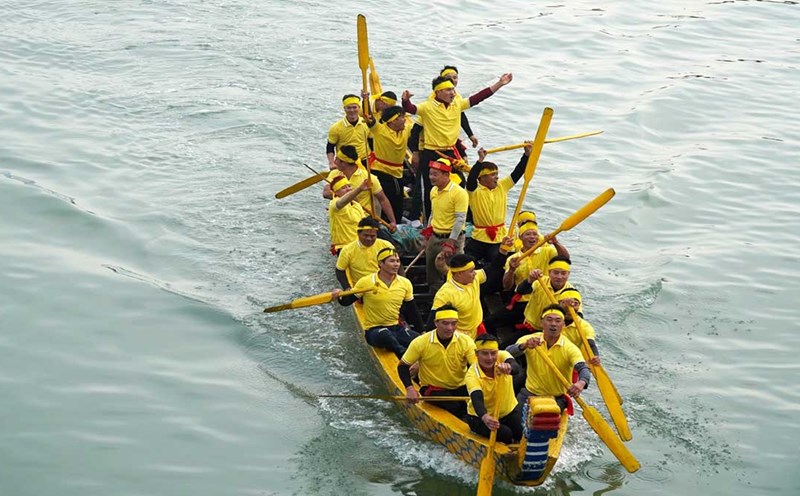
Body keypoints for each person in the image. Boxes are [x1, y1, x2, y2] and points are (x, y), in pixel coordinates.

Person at [402, 72, 513, 221]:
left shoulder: (457, 103)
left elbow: (478, 98)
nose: (453, 93)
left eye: (453, 90)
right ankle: (428, 224)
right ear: (438, 91)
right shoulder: (427, 106)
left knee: (463, 184)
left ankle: (467, 219)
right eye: (448, 90)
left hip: (451, 152)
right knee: (429, 190)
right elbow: (411, 109)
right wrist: (405, 100)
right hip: (432, 153)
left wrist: (500, 83)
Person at [484, 222, 569, 340]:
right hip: (523, 301)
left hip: (543, 300)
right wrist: (512, 270)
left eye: (535, 234)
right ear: (521, 237)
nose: (532, 237)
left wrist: (556, 242)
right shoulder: (513, 259)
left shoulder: (547, 252)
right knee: (489, 322)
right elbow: (506, 286)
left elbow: (565, 258)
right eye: (528, 234)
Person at [338, 248, 424, 359]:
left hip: (395, 328)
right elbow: (347, 302)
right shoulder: (366, 282)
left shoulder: (405, 283)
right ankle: (404, 357)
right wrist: (340, 295)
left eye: (398, 261)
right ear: (380, 264)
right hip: (374, 330)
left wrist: (421, 331)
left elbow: (412, 310)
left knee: (420, 341)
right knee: (385, 335)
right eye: (392, 261)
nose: (396, 264)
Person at [506, 305, 591, 412]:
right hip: (529, 393)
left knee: (543, 422)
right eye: (549, 320)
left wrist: (581, 383)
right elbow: (507, 352)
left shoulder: (570, 348)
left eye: (558, 321)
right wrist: (524, 346)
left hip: (556, 398)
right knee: (516, 421)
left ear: (563, 325)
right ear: (542, 323)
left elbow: (583, 369)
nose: (553, 324)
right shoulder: (529, 340)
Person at [398, 306, 477, 418]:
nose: (450, 328)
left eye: (454, 323)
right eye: (445, 323)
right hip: (433, 388)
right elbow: (402, 366)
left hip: (460, 385)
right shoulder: (420, 342)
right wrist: (410, 388)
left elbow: (476, 366)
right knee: (455, 407)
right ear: (436, 323)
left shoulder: (466, 341)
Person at [464, 144, 531, 264]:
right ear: (482, 178)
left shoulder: (502, 186)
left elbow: (517, 173)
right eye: (493, 175)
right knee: (467, 261)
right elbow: (471, 178)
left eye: (497, 174)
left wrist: (526, 155)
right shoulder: (474, 190)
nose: (497, 177)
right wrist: (480, 160)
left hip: (498, 238)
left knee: (498, 262)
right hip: (478, 236)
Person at [323, 145, 398, 232]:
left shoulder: (369, 178)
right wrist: (348, 194)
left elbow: (382, 199)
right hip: (342, 218)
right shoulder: (334, 174)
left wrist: (392, 221)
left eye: (337, 160)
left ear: (344, 163)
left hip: (362, 220)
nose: (334, 162)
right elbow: (326, 193)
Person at [465, 334, 523, 444]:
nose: (490, 358)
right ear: (476, 354)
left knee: (522, 433)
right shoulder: (472, 375)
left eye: (493, 353)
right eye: (485, 354)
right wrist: (485, 417)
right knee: (506, 434)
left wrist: (509, 367)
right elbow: (477, 399)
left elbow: (516, 368)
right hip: (480, 417)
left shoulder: (503, 355)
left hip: (508, 412)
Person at [424, 158, 469, 291]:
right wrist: (427, 235)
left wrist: (450, 243)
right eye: (430, 173)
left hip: (452, 238)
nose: (431, 177)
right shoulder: (433, 191)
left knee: (454, 272)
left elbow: (460, 219)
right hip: (435, 237)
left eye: (435, 174)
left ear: (446, 175)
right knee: (431, 271)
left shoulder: (459, 193)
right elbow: (433, 213)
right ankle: (434, 295)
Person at [364, 105, 411, 223]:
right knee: (384, 202)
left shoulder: (405, 130)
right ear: (393, 120)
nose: (405, 120)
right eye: (402, 117)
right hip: (381, 171)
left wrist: (407, 102)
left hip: (398, 173)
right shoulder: (379, 129)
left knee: (398, 204)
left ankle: (396, 225)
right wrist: (366, 99)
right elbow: (369, 117)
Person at [516, 256, 580, 332]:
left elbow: (578, 317)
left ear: (568, 274)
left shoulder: (572, 292)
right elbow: (520, 291)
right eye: (555, 273)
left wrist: (568, 308)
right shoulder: (540, 281)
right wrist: (530, 280)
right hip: (530, 325)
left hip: (551, 332)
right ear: (549, 272)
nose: (559, 277)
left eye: (563, 273)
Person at [335, 217, 395, 288]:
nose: (369, 239)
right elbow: (340, 270)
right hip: (361, 289)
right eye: (365, 235)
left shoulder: (386, 246)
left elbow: (397, 266)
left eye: (372, 236)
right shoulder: (347, 250)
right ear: (358, 233)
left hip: (384, 286)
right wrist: (347, 288)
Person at [328, 174, 369, 255]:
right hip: (344, 247)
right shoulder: (334, 204)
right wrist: (359, 189)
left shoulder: (356, 205)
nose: (348, 189)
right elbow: (342, 201)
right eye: (344, 188)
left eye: (349, 186)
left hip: (360, 245)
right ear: (336, 192)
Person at [557, 289, 601, 364]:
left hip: (571, 360)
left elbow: (590, 344)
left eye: (575, 304)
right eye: (565, 303)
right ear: (559, 304)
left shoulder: (584, 326)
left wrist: (595, 356)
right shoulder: (551, 320)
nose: (570, 307)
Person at [327, 94, 369, 169]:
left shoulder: (366, 123)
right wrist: (331, 163)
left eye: (354, 107)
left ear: (359, 108)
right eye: (349, 108)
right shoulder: (336, 127)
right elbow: (330, 147)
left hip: (364, 161)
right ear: (344, 109)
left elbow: (372, 142)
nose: (352, 110)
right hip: (344, 163)